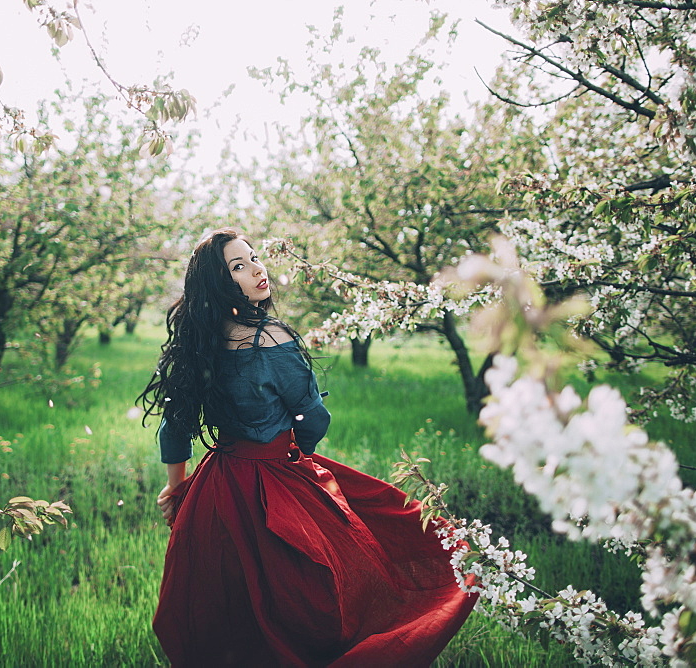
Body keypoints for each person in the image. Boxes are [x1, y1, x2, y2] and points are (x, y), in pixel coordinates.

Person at [137, 228, 476, 667]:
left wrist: (177, 488)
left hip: (218, 483)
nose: (257, 269)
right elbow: (312, 416)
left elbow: (174, 425)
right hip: (278, 472)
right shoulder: (271, 338)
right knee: (322, 585)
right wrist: (301, 459)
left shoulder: (197, 343)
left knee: (230, 596)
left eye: (254, 258)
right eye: (238, 267)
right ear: (220, 283)